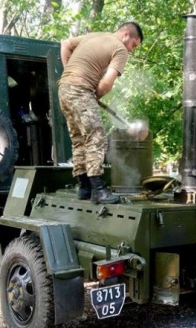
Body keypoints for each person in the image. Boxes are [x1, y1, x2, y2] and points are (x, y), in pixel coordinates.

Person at [58, 22, 144, 204]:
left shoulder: (93, 36)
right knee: (96, 137)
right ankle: (98, 190)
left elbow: (65, 44)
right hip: (80, 90)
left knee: (79, 139)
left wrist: (69, 74)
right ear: (126, 34)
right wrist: (92, 93)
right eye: (134, 45)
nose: (131, 51)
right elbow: (106, 83)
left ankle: (84, 188)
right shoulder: (119, 49)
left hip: (64, 90)